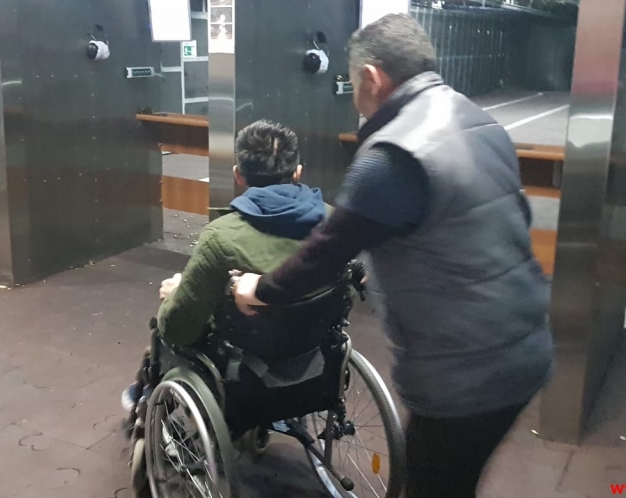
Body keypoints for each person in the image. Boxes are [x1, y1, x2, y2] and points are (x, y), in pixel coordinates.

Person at [231, 14, 553, 498]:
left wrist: (260, 289)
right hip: (527, 346)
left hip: (463, 372)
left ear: (371, 78)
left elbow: (326, 252)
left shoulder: (392, 155)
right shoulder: (477, 119)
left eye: (353, 84)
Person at [120, 119, 331, 415]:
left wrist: (175, 294)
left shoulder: (221, 237)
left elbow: (180, 328)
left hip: (245, 367)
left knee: (166, 326)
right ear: (298, 172)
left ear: (238, 175)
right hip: (313, 350)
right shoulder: (334, 225)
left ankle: (148, 394)